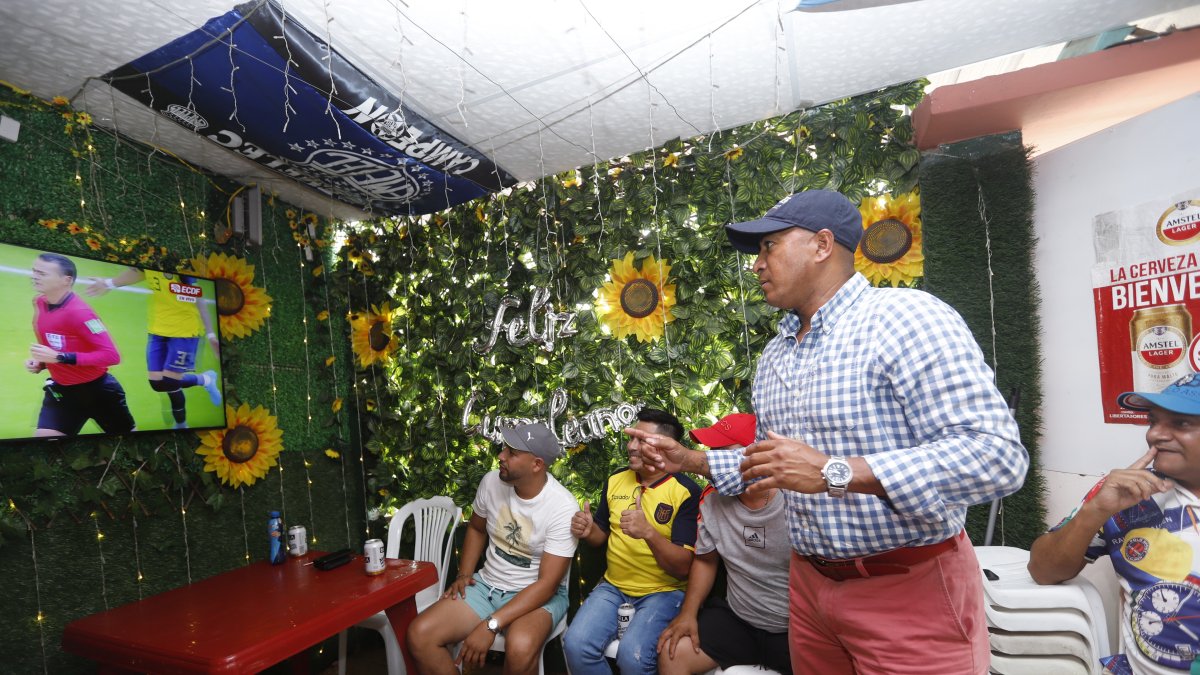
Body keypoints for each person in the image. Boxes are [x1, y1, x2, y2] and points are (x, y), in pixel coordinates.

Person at [628, 189, 1029, 675]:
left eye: (769, 246)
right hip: (809, 587)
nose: (757, 264)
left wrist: (837, 472)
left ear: (821, 245)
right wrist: (687, 460)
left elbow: (996, 457)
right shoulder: (776, 355)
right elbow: (776, 467)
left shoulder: (906, 319)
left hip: (908, 584)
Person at [1028, 374, 1200, 674]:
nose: (1155, 435)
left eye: (1181, 423)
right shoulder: (1129, 495)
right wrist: (1096, 511)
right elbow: (1042, 570)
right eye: (1152, 421)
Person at [406, 422, 577, 675]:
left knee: (520, 647)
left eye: (512, 453)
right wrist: (464, 575)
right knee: (420, 634)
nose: (501, 456)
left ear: (537, 464)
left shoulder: (562, 506)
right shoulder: (490, 482)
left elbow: (547, 585)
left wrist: (491, 625)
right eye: (504, 449)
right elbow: (476, 529)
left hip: (536, 595)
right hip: (487, 586)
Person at [563, 408, 703, 675]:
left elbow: (683, 567)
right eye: (632, 439)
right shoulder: (616, 480)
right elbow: (600, 536)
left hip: (664, 592)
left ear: (665, 448)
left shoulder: (686, 492)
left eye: (642, 440)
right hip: (613, 588)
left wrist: (649, 533)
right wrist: (588, 528)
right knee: (575, 645)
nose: (631, 446)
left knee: (633, 657)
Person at [657, 413, 792, 675]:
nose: (713, 462)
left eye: (723, 453)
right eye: (712, 452)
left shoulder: (795, 498)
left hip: (793, 626)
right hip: (739, 618)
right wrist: (688, 613)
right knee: (673, 653)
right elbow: (706, 559)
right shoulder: (711, 498)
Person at [86, 268, 221, 429]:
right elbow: (138, 272)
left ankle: (181, 425)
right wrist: (109, 283)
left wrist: (211, 334)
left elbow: (198, 298)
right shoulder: (148, 259)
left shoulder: (182, 270)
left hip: (184, 331)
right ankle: (206, 379)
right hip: (157, 330)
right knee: (157, 383)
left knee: (171, 381)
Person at [25, 252, 135, 436]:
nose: (34, 276)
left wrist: (60, 358)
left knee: (132, 448)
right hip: (61, 393)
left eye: (42, 273)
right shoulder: (40, 302)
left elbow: (111, 356)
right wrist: (43, 362)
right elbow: (57, 346)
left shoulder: (81, 313)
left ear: (66, 280)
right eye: (34, 271)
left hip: (99, 394)